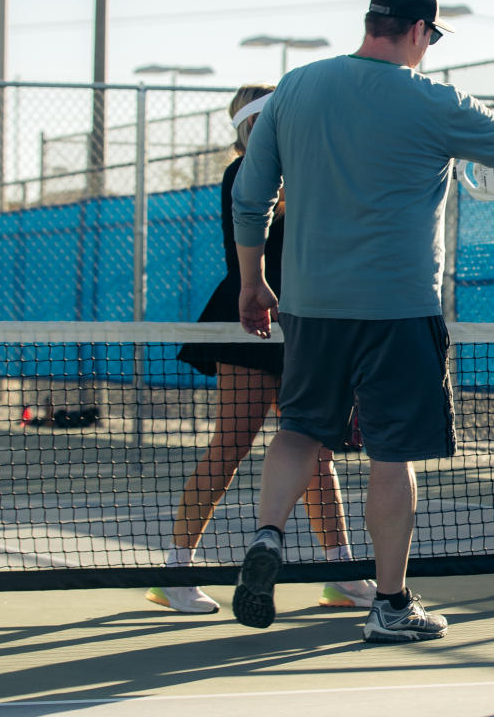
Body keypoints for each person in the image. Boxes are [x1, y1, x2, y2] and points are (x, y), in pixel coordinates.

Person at [229, 0, 494, 642]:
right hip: (398, 308)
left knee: (299, 431)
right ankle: (391, 606)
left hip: (309, 307)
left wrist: (254, 283)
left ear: (372, 21)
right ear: (420, 32)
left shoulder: (295, 90)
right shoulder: (433, 100)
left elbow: (249, 198)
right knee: (391, 457)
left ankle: (268, 535)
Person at [148, 85, 376, 615]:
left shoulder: (305, 176)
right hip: (252, 325)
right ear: (258, 125)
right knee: (230, 445)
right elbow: (255, 256)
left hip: (302, 328)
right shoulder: (248, 174)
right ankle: (175, 571)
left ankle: (341, 573)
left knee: (316, 452)